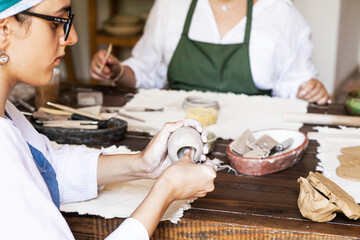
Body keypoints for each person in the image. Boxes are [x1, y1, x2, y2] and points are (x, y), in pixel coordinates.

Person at [0, 0, 216, 239]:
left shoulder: (7, 111)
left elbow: (44, 169)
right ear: (4, 30)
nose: (72, 37)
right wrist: (165, 190)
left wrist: (143, 164)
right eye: (56, 23)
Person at [90, 0, 329, 105]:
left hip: (252, 143)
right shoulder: (171, 5)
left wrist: (310, 90)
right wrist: (119, 71)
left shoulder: (278, 12)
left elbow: (296, 84)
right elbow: (145, 68)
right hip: (178, 134)